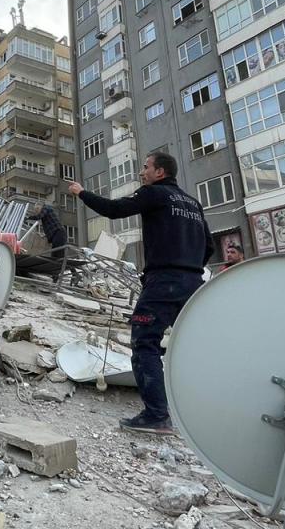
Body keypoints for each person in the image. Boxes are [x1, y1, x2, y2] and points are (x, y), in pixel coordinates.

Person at [67, 151, 213, 434]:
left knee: (145, 341)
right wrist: (189, 267)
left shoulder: (154, 193)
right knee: (191, 346)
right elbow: (209, 246)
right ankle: (202, 411)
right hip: (193, 283)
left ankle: (157, 415)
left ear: (160, 172)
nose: (141, 172)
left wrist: (82, 192)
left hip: (163, 281)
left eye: (145, 167)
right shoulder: (193, 203)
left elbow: (113, 209)